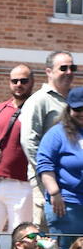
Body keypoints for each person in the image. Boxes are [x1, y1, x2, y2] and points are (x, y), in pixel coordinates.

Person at [21, 51, 75, 227]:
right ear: (49, 71)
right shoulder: (39, 101)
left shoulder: (75, 100)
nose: (69, 72)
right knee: (46, 228)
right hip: (46, 179)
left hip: (74, 178)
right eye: (63, 68)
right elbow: (29, 142)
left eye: (72, 68)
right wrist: (47, 172)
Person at [0, 65, 36, 249]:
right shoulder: (0, 109)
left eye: (24, 81)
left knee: (21, 242)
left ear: (32, 82)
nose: (19, 85)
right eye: (14, 80)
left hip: (23, 185)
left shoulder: (35, 108)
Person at [35, 87, 83, 249]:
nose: (82, 113)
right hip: (65, 204)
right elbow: (45, 164)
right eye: (77, 109)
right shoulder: (57, 133)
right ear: (68, 109)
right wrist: (55, 193)